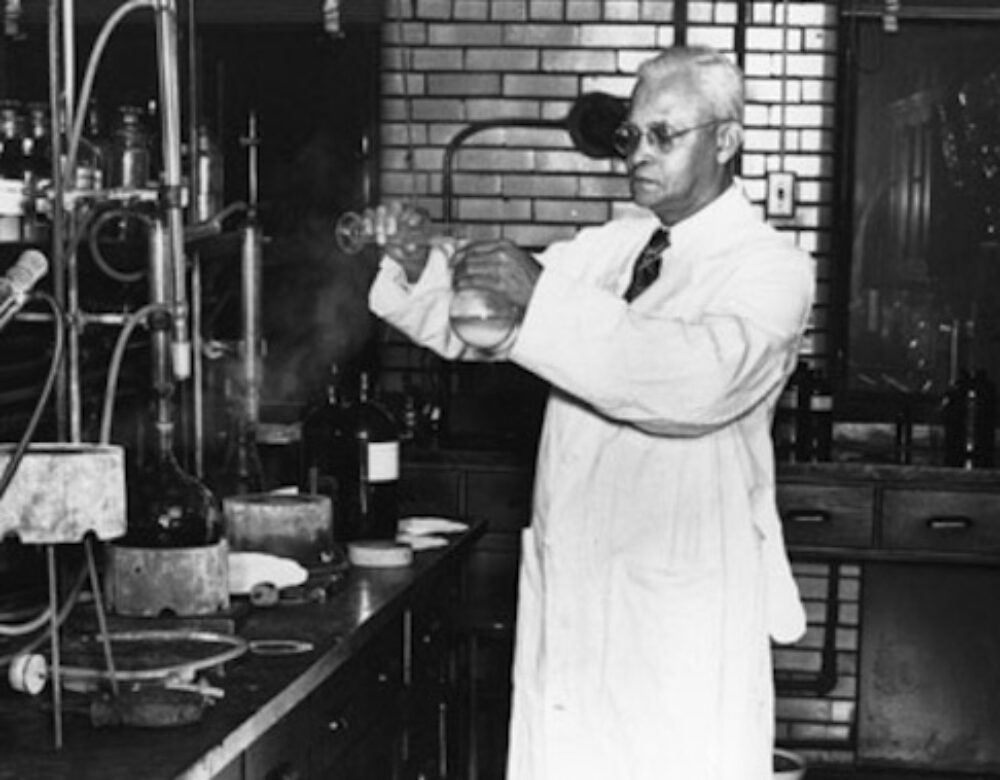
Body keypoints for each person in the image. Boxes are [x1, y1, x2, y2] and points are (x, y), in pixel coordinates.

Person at [366, 45, 815, 780]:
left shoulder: (770, 268)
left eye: (663, 134)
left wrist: (541, 295)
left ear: (727, 140)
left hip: (678, 610)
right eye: (631, 136)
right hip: (579, 589)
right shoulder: (610, 249)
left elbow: (691, 383)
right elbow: (485, 324)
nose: (638, 152)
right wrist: (419, 263)